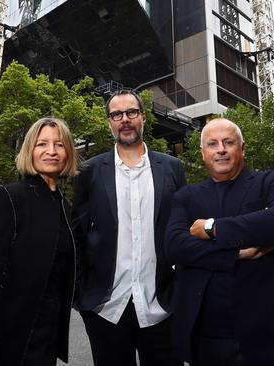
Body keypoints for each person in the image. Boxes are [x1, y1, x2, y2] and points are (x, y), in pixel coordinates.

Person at [164, 118, 274, 366]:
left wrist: (212, 228)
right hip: (206, 337)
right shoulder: (186, 196)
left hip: (267, 334)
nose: (220, 149)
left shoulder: (270, 182)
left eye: (228, 142)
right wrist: (237, 253)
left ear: (242, 148)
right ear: (203, 153)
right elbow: (175, 246)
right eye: (212, 143)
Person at [71, 89, 187, 366]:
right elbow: (78, 234)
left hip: (162, 307)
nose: (125, 119)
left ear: (143, 117)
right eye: (117, 114)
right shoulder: (89, 171)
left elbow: (183, 231)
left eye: (132, 112)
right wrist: (81, 293)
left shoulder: (172, 168)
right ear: (109, 121)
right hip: (106, 310)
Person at [0, 117, 78, 366]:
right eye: (42, 144)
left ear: (68, 152)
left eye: (59, 144)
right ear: (29, 151)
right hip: (7, 339)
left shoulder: (66, 209)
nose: (51, 151)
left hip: (45, 340)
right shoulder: (9, 198)